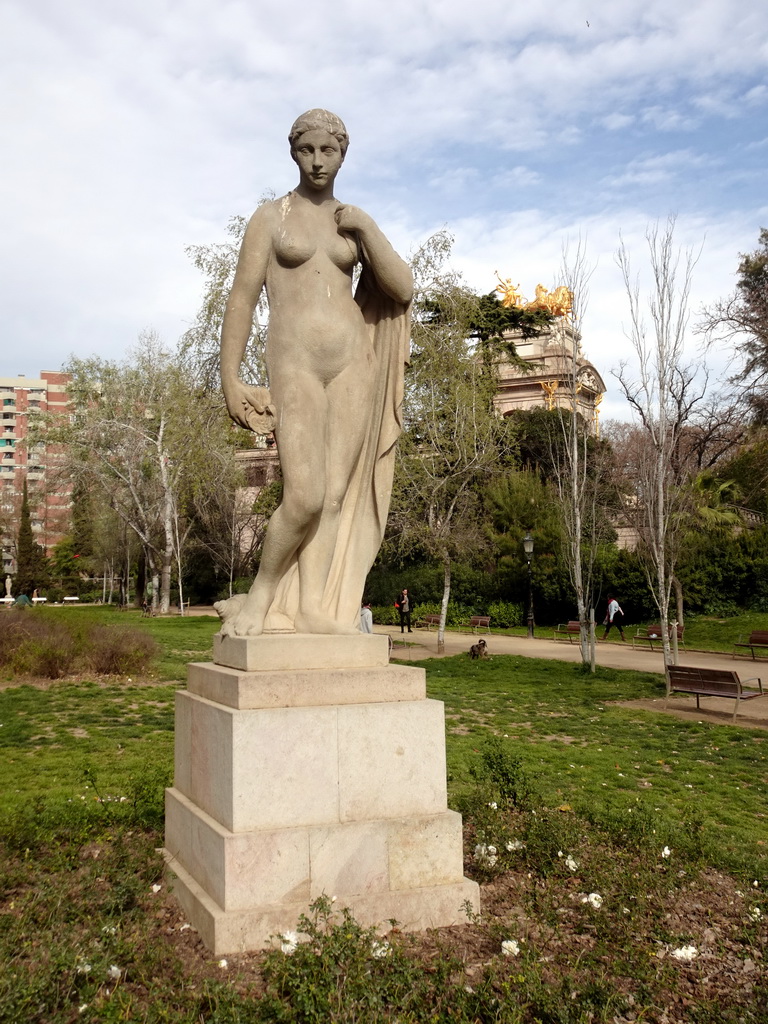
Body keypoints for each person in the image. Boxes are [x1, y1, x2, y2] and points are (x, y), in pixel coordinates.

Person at [215, 110, 413, 637]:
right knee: (302, 493)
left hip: (354, 364)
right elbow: (241, 297)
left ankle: (310, 609)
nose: (318, 161)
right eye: (308, 151)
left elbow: (402, 288)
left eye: (329, 151)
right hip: (295, 360)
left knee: (333, 496)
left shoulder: (350, 220)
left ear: (344, 154)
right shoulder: (272, 217)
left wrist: (367, 228)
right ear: (293, 152)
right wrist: (230, 377)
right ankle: (260, 597)